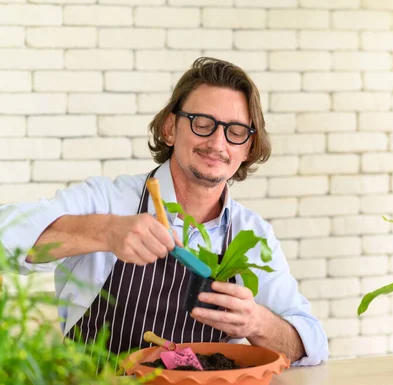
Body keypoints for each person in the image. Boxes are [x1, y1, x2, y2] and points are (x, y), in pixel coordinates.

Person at [0, 57, 329, 367]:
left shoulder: (252, 234)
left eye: (236, 131)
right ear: (170, 128)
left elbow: (310, 344)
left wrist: (257, 322)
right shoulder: (108, 200)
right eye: (203, 123)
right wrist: (104, 232)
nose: (218, 143)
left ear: (247, 148)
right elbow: (6, 238)